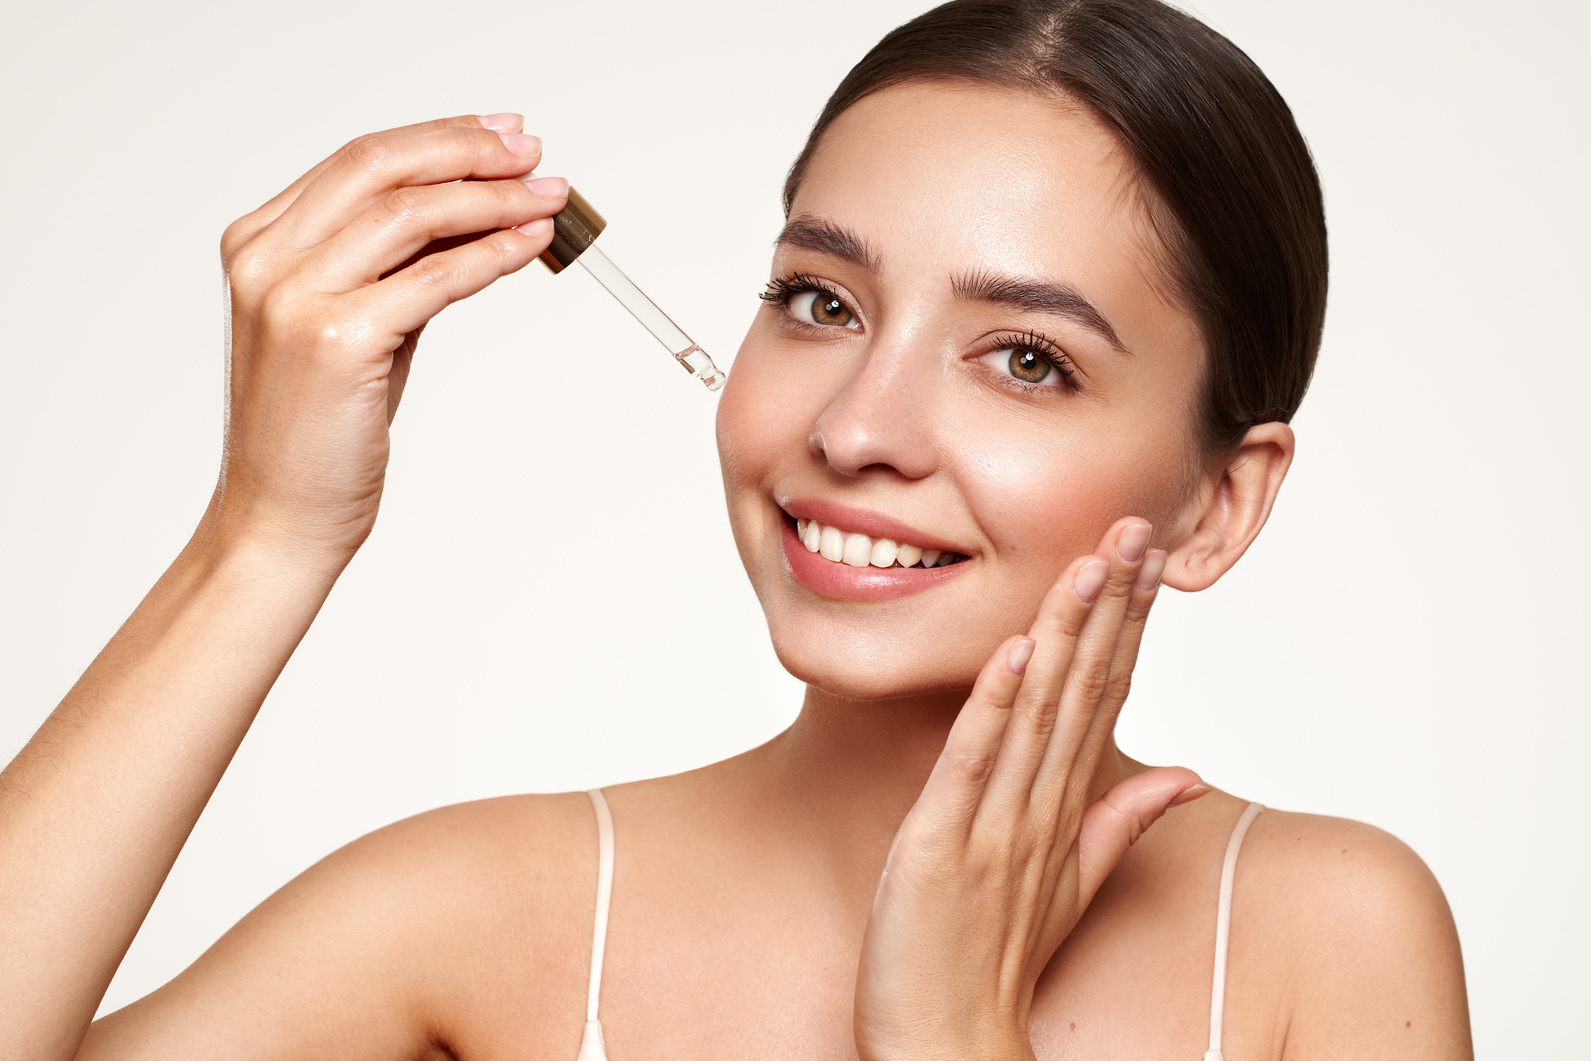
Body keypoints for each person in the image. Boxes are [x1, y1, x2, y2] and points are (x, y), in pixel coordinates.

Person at [0, 1, 1473, 1058]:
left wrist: (951, 1038)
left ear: (1221, 500)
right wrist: (263, 534)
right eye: (820, 303)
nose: (853, 427)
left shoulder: (1320, 937)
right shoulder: (472, 912)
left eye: (1027, 356)